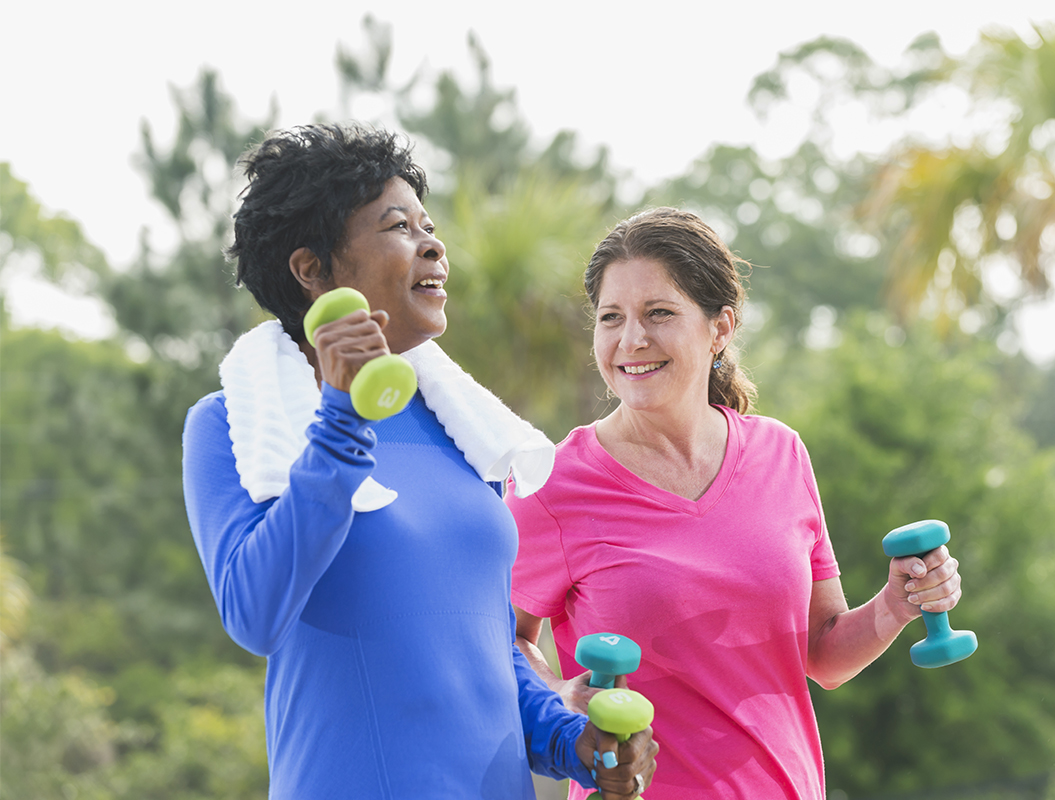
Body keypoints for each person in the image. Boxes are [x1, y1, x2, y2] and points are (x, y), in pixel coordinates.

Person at [181, 123, 656, 800]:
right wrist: (341, 417)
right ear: (313, 269)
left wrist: (571, 742)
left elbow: (485, 654)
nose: (433, 243)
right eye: (398, 225)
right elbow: (254, 614)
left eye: (428, 224)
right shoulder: (231, 425)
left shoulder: (460, 429)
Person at [506, 207, 965, 799]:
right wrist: (557, 706)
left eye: (659, 313)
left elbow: (821, 653)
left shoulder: (781, 454)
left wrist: (897, 605)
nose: (631, 340)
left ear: (720, 328)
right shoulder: (554, 483)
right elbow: (498, 635)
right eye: (611, 318)